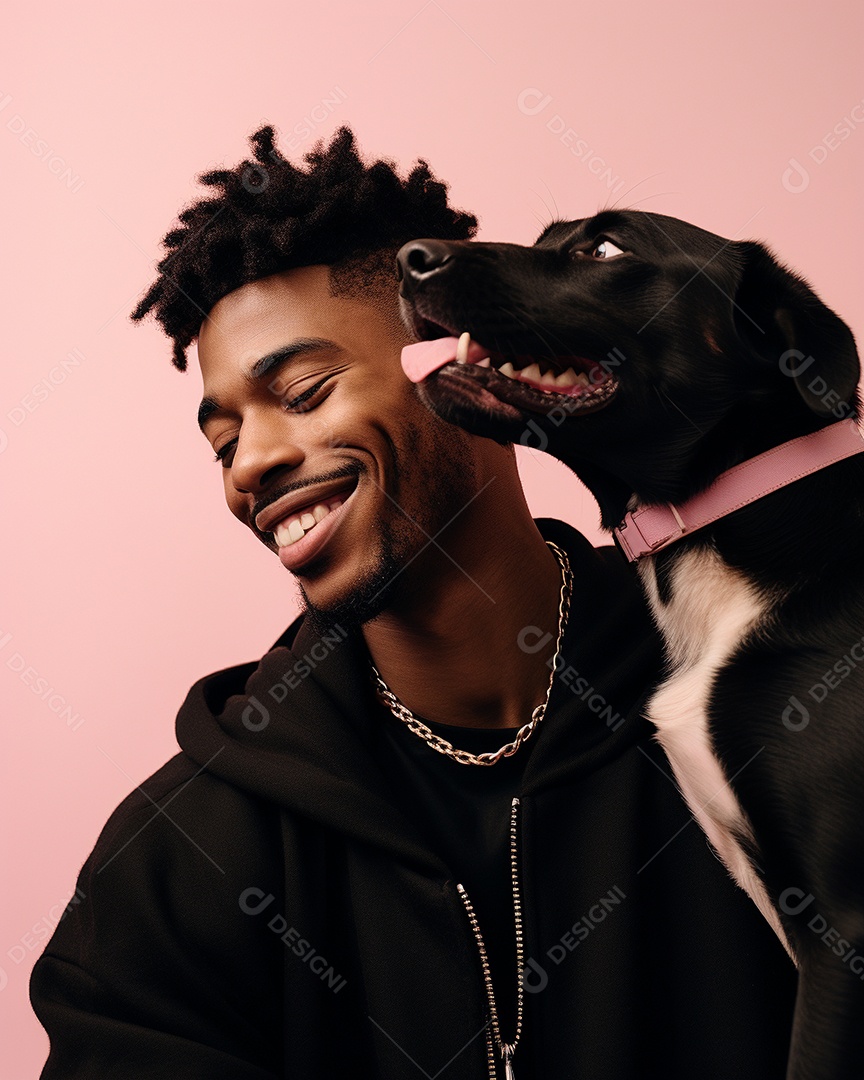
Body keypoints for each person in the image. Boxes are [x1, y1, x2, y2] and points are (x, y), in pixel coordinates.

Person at [29, 125, 797, 1079]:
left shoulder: (766, 709)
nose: (252, 467)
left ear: (462, 365)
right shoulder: (178, 862)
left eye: (304, 391)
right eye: (223, 444)